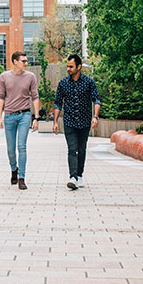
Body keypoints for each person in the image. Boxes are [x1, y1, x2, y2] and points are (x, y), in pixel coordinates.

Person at [53, 54, 101, 190]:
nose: (68, 69)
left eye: (71, 66)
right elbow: (57, 103)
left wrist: (95, 117)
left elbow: (96, 100)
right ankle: (72, 177)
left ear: (79, 67)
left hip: (85, 122)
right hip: (69, 122)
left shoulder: (89, 82)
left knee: (81, 149)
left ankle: (79, 175)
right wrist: (55, 121)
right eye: (67, 66)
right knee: (72, 149)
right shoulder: (63, 83)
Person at [0, 50, 39, 190]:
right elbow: (1, 96)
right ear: (15, 62)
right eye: (23, 61)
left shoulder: (31, 77)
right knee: (10, 150)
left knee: (22, 146)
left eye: (26, 61)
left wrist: (36, 118)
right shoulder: (4, 76)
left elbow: (35, 97)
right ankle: (13, 168)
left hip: (24, 115)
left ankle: (21, 177)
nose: (26, 63)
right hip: (9, 115)